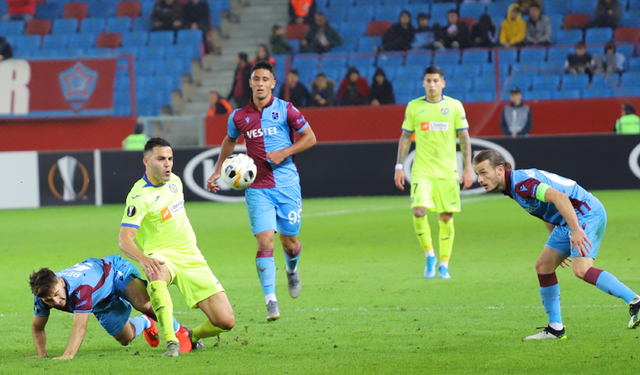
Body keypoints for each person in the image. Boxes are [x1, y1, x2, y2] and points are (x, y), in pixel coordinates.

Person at [472, 150, 640, 339]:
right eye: (477, 173)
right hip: (566, 220)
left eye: (483, 172)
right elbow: (545, 209)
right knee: (544, 266)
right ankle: (555, 329)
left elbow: (559, 197)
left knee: (581, 269)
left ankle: (636, 302)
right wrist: (558, 245)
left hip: (585, 212)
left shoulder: (522, 185)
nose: (479, 178)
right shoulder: (513, 185)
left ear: (500, 169)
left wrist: (575, 230)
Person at [206, 60, 317, 322]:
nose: (260, 84)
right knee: (264, 240)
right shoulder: (238, 116)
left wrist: (285, 152)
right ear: (250, 83)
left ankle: (292, 270)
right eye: (256, 79)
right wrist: (218, 169)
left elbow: (310, 137)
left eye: (265, 79)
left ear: (272, 83)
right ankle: (271, 301)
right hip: (258, 188)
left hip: (288, 184)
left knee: (289, 244)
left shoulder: (286, 109)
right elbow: (229, 140)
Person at [119, 137, 235, 357]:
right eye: (161, 159)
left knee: (226, 321)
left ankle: (191, 336)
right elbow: (124, 239)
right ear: (146, 161)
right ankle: (171, 341)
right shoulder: (139, 196)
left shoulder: (176, 181)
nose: (167, 164)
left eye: (170, 159)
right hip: (161, 253)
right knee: (156, 273)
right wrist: (144, 259)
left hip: (191, 255)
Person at [394, 65, 473, 280]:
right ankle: (430, 256)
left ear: (443, 83)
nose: (431, 84)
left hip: (448, 172)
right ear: (423, 83)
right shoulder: (414, 107)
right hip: (422, 171)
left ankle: (444, 265)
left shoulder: (455, 106)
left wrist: (468, 167)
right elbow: (405, 137)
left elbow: (464, 137)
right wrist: (399, 166)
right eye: (428, 80)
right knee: (419, 210)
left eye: (436, 80)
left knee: (445, 217)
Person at [28, 255, 192, 359]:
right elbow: (37, 327)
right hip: (100, 300)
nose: (56, 302)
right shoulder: (42, 297)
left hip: (116, 272)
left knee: (142, 303)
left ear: (61, 282)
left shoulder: (81, 288)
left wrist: (67, 355)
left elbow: (80, 327)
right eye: (49, 300)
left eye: (57, 295)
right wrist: (42, 354)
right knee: (125, 338)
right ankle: (146, 322)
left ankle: (182, 333)